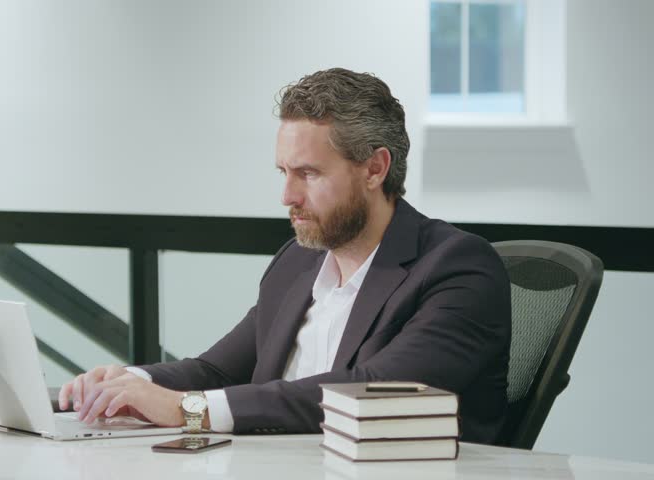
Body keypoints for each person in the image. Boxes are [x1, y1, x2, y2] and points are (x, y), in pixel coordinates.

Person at [58, 67, 511, 444]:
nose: (287, 196)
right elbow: (216, 370)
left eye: (308, 174)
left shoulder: (458, 268)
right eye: (284, 172)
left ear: (375, 168)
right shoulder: (298, 261)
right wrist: (127, 384)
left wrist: (188, 409)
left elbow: (374, 391)